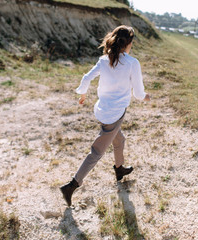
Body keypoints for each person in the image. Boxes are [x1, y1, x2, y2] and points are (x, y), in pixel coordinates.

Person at [60, 25, 150, 207]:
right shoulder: (133, 63)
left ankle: (119, 169)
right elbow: (138, 94)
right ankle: (72, 185)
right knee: (97, 151)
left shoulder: (103, 60)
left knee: (119, 140)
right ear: (129, 44)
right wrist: (146, 96)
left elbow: (86, 78)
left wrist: (83, 94)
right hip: (115, 114)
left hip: (101, 110)